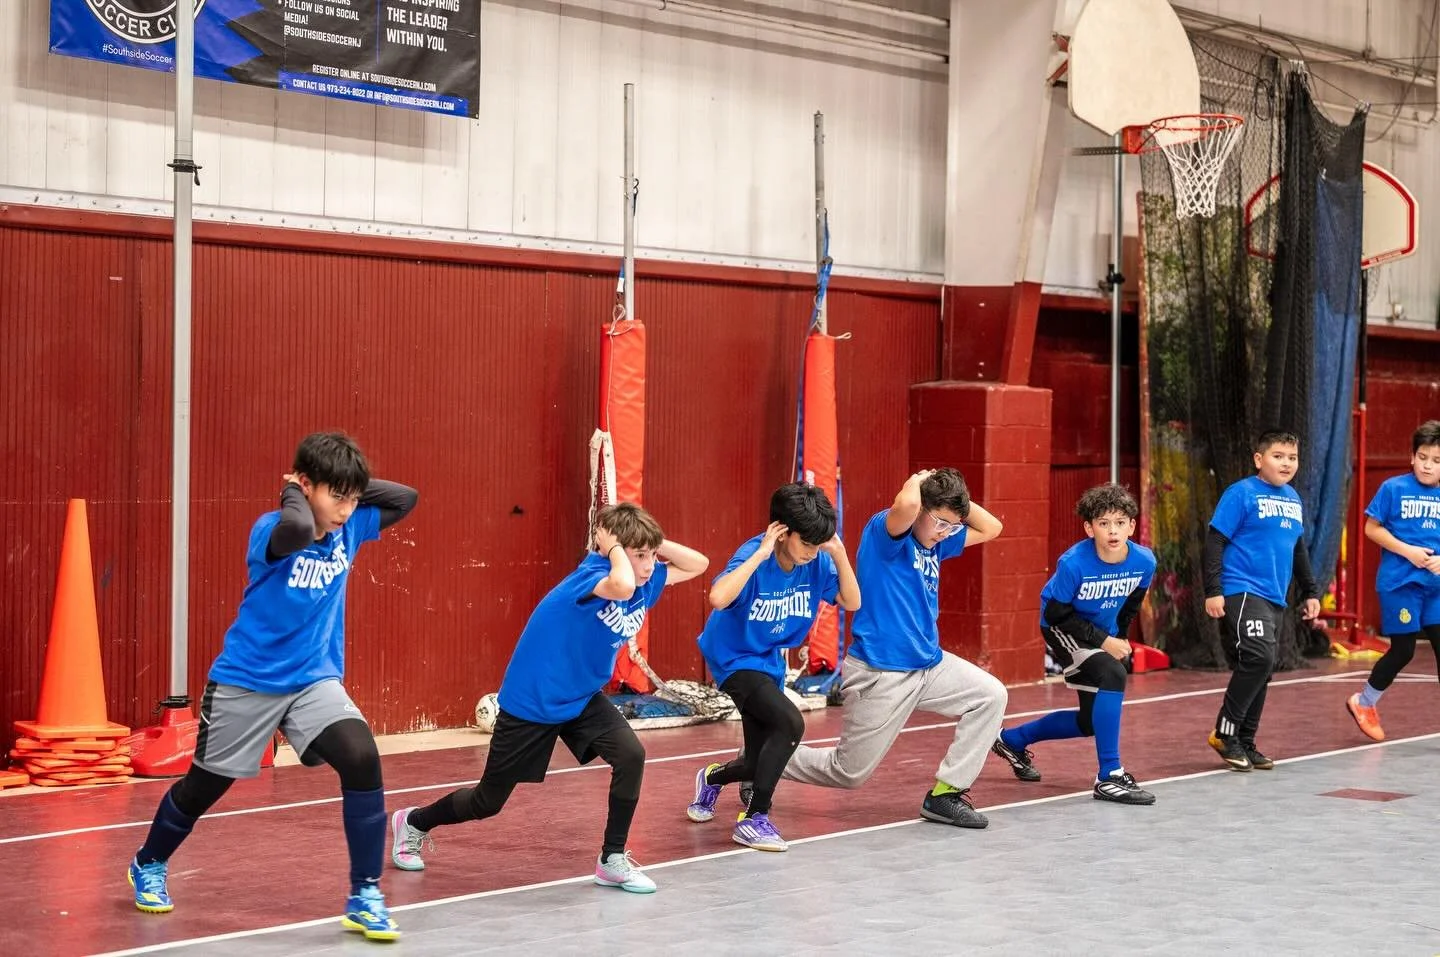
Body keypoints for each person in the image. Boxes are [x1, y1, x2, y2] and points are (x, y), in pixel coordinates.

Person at [128, 432, 418, 942]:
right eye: (337, 497)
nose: (348, 511)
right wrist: (297, 493)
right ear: (303, 486)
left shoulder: (351, 525)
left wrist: (343, 484)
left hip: (313, 680)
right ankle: (149, 862)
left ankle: (364, 893)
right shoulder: (273, 529)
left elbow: (404, 499)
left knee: (361, 756)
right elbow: (298, 527)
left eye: (353, 498)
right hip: (248, 681)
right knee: (205, 787)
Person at [388, 503, 708, 893]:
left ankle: (612, 859)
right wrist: (615, 550)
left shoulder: (644, 580)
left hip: (581, 697)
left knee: (631, 755)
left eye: (652, 556)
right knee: (487, 802)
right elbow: (621, 585)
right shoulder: (591, 576)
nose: (649, 565)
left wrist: (647, 543)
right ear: (614, 552)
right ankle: (414, 822)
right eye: (640, 556)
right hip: (533, 702)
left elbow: (698, 564)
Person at [782, 468, 1007, 829]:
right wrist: (921, 480)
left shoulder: (938, 540)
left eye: (952, 526)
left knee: (990, 695)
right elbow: (905, 504)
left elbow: (992, 527)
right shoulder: (886, 537)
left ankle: (945, 795)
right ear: (920, 509)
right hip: (881, 672)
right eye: (940, 523)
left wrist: (952, 504)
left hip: (929, 667)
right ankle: (762, 760)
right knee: (848, 772)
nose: (946, 533)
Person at [685, 483, 860, 851]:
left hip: (768, 660)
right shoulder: (755, 555)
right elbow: (718, 597)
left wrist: (839, 552)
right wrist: (761, 553)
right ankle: (754, 819)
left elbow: (851, 600)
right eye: (806, 544)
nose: (813, 553)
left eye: (818, 545)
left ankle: (712, 777)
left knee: (757, 761)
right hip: (734, 660)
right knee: (791, 722)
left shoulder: (818, 561)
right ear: (781, 531)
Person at [991, 484, 1157, 804]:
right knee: (1112, 674)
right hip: (1061, 628)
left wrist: (1119, 638)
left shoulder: (1144, 561)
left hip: (1101, 632)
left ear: (1132, 526)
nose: (1112, 531)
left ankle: (1011, 740)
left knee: (1089, 722)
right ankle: (1110, 775)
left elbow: (1131, 605)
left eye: (1120, 522)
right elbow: (1057, 615)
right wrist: (1104, 641)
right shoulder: (1074, 563)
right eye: (1104, 523)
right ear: (1089, 527)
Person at [1204, 430, 1320, 771]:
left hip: (1275, 595)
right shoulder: (1240, 493)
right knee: (1258, 657)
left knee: (1265, 666)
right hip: (1242, 589)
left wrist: (1310, 591)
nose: (1286, 463)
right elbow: (1215, 542)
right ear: (1259, 459)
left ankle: (1246, 740)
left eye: (1292, 457)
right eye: (1278, 456)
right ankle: (1225, 733)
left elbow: (1297, 549)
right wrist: (1213, 590)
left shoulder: (1293, 499)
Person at [1346, 420, 1440, 741]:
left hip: (1436, 588)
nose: (1428, 466)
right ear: (1412, 457)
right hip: (1401, 584)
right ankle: (1364, 702)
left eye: (1437, 461)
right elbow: (1371, 528)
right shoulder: (1393, 488)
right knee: (1404, 651)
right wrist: (1409, 552)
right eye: (1423, 457)